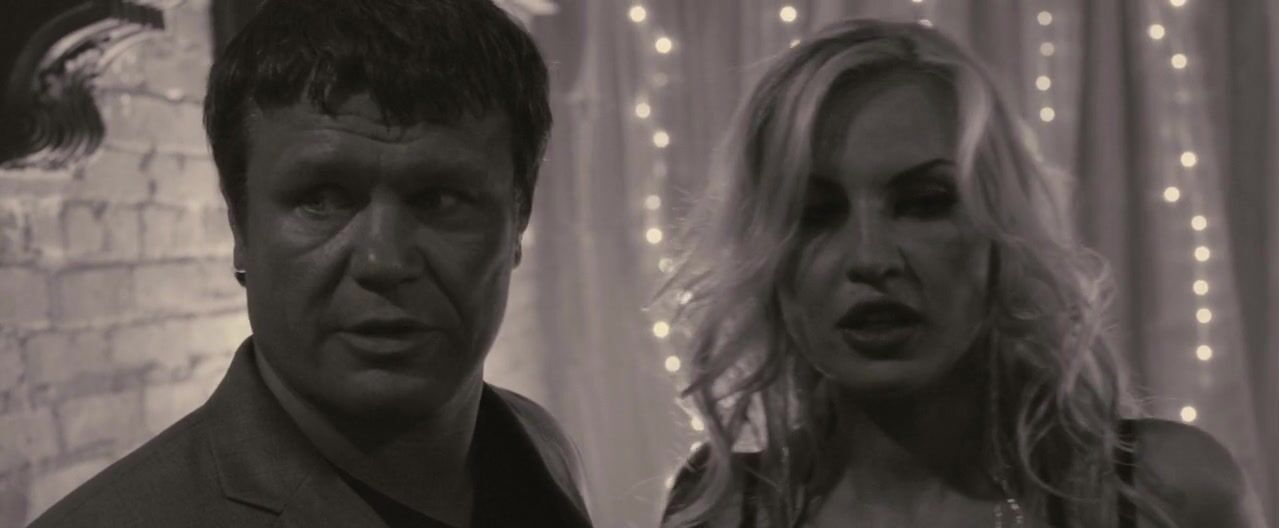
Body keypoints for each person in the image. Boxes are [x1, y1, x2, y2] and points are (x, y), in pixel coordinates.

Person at [660, 19, 1266, 528]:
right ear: (767, 257)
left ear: (1001, 230)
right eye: (815, 214)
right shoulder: (722, 510)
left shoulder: (1163, 494)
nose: (871, 258)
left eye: (924, 203)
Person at [29, 1, 592, 526]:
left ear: (518, 219)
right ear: (240, 226)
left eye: (439, 199)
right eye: (322, 198)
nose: (383, 260)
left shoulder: (535, 444)